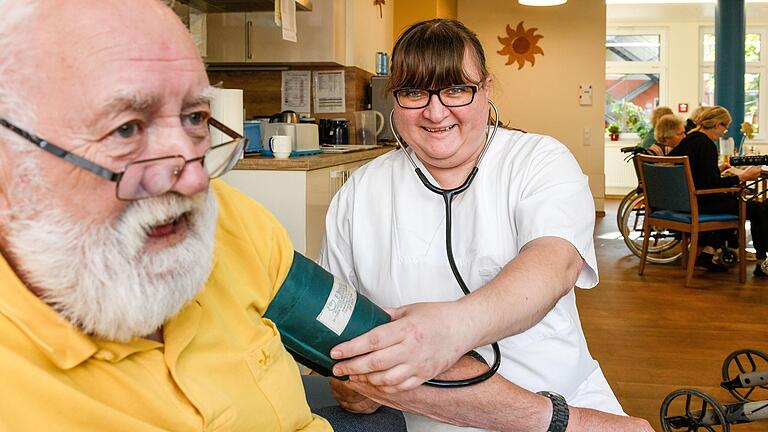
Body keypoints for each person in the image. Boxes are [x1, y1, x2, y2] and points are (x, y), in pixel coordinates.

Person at [0, 1, 335, 429]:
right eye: (127, 129)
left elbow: (357, 333)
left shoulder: (233, 220)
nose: (195, 180)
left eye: (195, 117)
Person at [318, 19, 653, 432]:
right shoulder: (358, 194)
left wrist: (450, 330)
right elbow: (335, 330)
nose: (435, 111)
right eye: (414, 92)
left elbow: (555, 263)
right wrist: (345, 382)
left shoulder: (539, 160)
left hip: (565, 401)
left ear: (487, 91)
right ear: (394, 99)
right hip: (421, 420)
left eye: (457, 89)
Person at [668, 106, 768, 275]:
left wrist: (717, 170)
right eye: (725, 126)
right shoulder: (706, 145)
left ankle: (707, 254)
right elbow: (711, 185)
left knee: (732, 202)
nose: (724, 132)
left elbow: (695, 174)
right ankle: (761, 264)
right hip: (699, 203)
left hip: (682, 202)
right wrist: (743, 177)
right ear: (716, 124)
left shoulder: (689, 139)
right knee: (757, 209)